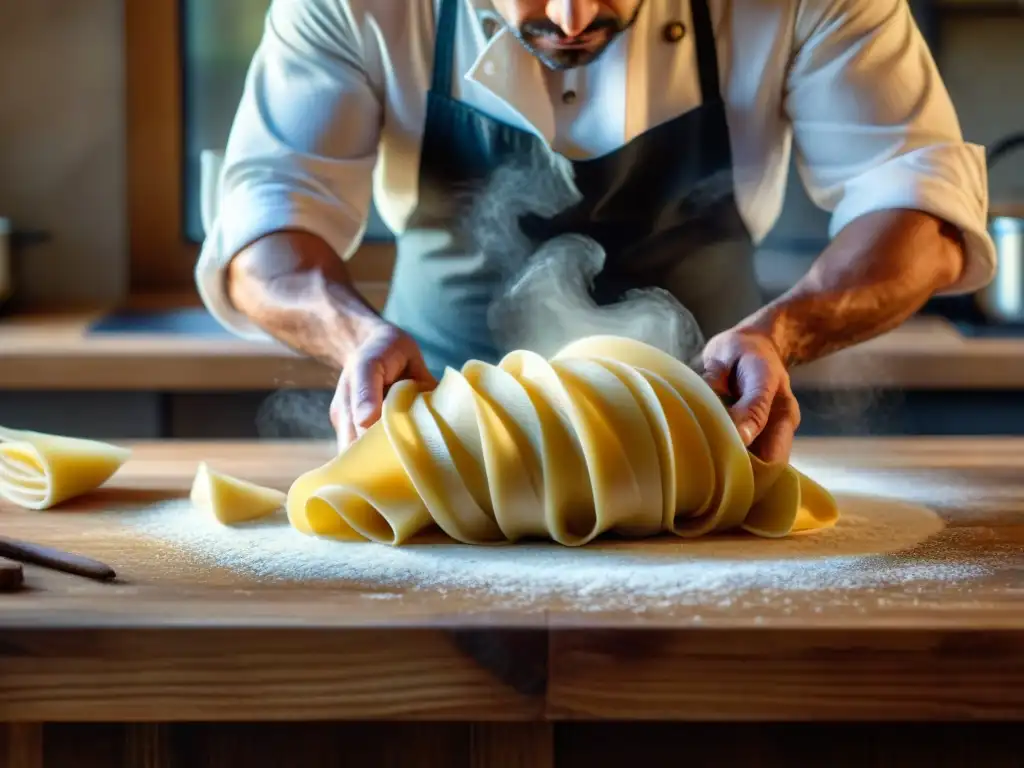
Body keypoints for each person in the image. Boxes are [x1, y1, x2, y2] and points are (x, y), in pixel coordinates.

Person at [196, 0, 995, 462]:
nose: (573, 19)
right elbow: (265, 216)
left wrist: (783, 333)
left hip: (710, 441)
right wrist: (351, 336)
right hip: (440, 445)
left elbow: (918, 208)